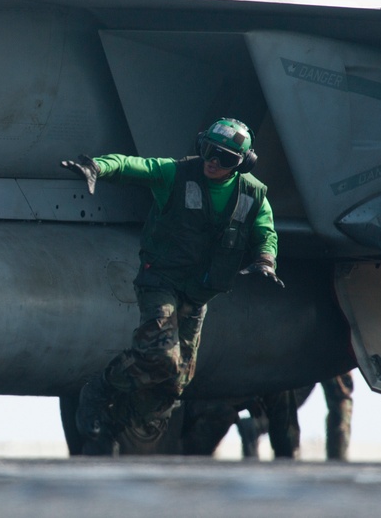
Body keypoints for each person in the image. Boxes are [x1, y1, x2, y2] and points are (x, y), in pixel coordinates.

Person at [61, 118, 282, 455]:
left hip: (199, 292)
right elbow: (132, 166)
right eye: (209, 151)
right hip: (161, 280)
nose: (212, 162)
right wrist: (97, 167)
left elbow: (265, 231)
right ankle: (99, 389)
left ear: (242, 163)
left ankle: (113, 423)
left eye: (225, 159)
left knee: (176, 382)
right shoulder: (176, 174)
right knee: (162, 357)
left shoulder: (252, 194)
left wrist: (266, 260)